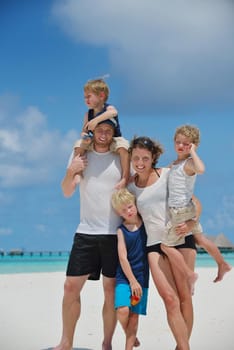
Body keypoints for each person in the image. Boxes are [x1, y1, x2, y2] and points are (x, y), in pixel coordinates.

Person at [53, 120, 124, 350]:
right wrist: (71, 170)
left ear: (114, 133)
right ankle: (66, 343)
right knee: (70, 288)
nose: (103, 133)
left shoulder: (120, 158)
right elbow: (66, 191)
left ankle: (107, 343)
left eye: (108, 130)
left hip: (115, 234)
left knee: (110, 290)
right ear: (92, 132)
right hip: (86, 232)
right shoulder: (81, 156)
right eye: (100, 130)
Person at [128, 136, 200, 350]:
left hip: (180, 239)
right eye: (136, 158)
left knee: (185, 298)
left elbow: (195, 202)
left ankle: (182, 347)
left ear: (153, 158)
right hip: (153, 244)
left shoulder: (168, 175)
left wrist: (191, 223)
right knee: (170, 299)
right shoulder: (131, 187)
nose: (140, 162)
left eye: (145, 158)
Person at [161, 125, 231, 291]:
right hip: (188, 209)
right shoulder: (176, 164)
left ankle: (188, 274)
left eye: (186, 144)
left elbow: (201, 169)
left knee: (165, 246)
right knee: (201, 239)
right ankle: (222, 263)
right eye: (178, 142)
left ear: (193, 145)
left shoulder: (189, 163)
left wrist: (193, 152)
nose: (180, 146)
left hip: (180, 211)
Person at [73, 78, 129, 189]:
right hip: (95, 139)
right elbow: (84, 131)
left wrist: (96, 120)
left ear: (101, 96)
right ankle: (77, 172)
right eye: (85, 97)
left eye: (89, 96)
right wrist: (85, 136)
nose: (86, 100)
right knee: (79, 145)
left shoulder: (108, 108)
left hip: (114, 139)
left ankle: (125, 177)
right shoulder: (88, 114)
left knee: (124, 147)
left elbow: (114, 112)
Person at [111, 188, 149, 350]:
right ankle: (130, 334)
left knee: (134, 317)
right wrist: (132, 281)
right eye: (124, 210)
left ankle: (129, 344)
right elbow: (122, 257)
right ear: (119, 213)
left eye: (130, 206)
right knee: (122, 311)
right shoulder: (121, 230)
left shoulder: (146, 223)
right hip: (124, 278)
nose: (129, 211)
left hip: (142, 278)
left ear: (135, 204)